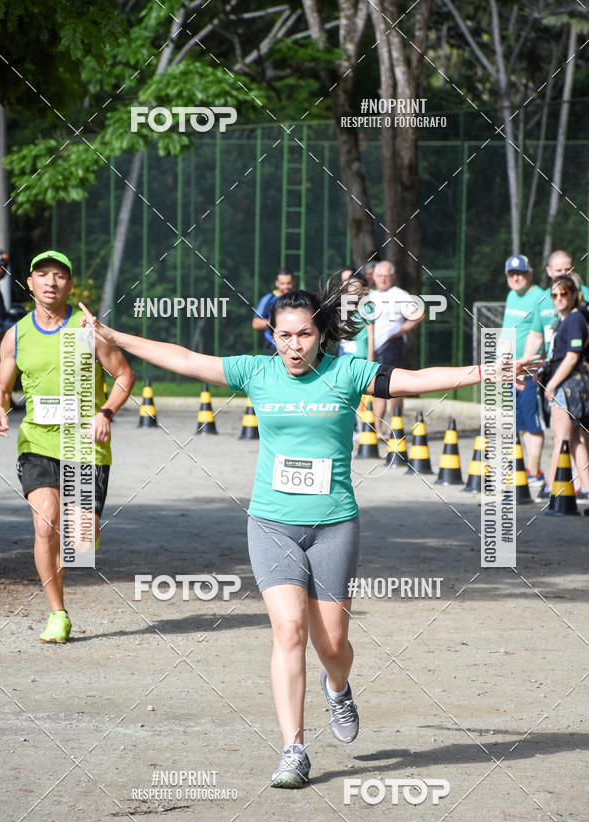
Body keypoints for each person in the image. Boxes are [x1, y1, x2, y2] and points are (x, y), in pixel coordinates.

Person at [77, 279, 538, 789]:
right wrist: (111, 334)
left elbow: (415, 379)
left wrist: (487, 370)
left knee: (333, 643)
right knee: (288, 631)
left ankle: (337, 687)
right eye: (284, 335)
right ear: (271, 335)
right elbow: (184, 358)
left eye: (303, 335)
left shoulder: (347, 372)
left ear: (321, 335)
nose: (293, 345)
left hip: (334, 524)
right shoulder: (257, 371)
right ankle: (293, 748)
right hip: (271, 523)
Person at [0, 250, 135, 643]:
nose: (51, 282)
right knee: (44, 523)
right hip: (36, 440)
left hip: (84, 445)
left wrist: (105, 412)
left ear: (70, 285)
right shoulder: (16, 334)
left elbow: (124, 374)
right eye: (43, 274)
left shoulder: (88, 329)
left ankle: (85, 533)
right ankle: (57, 613)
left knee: (80, 541)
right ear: (31, 283)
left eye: (60, 276)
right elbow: (1, 387)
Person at [540, 275, 589, 499]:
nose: (558, 299)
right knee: (576, 440)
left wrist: (551, 384)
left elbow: (571, 357)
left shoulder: (575, 320)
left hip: (569, 385)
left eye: (564, 294)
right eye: (554, 295)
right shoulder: (564, 319)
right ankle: (587, 488)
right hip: (570, 383)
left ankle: (552, 487)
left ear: (573, 295)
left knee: (561, 439)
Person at [501, 254, 545, 484]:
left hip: (529, 372)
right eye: (511, 274)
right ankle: (526, 469)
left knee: (531, 420)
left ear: (530, 273)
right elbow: (508, 331)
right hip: (510, 371)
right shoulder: (511, 296)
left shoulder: (540, 297)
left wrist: (534, 367)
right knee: (518, 422)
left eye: (520, 273)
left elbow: (543, 334)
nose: (516, 278)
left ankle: (535, 471)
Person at [368, 260, 424, 435]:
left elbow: (419, 314)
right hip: (373, 347)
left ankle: (395, 426)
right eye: (380, 276)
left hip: (392, 346)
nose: (383, 280)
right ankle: (377, 429)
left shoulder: (399, 294)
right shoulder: (370, 295)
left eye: (387, 276)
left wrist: (400, 331)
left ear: (392, 277)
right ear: (374, 277)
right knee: (376, 388)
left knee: (392, 387)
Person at [252, 269, 295, 353]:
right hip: (272, 348)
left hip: (294, 346)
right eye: (283, 283)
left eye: (288, 283)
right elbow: (255, 323)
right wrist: (278, 323)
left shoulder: (299, 298)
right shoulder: (268, 299)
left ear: (293, 282)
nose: (286, 286)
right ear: (277, 283)